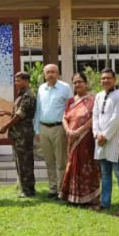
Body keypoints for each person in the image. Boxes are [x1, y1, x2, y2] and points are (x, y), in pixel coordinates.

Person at [60, 72, 101, 207]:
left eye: (80, 82)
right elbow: (64, 117)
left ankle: (89, 197)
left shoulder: (93, 100)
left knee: (86, 166)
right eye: (75, 82)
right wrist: (68, 130)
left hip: (86, 138)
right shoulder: (70, 101)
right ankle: (73, 196)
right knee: (72, 165)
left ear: (86, 83)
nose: (77, 84)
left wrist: (80, 131)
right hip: (71, 138)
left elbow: (94, 118)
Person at [34, 64, 72, 199]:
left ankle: (62, 190)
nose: (50, 74)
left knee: (61, 161)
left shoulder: (65, 88)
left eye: (53, 72)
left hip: (59, 128)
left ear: (58, 74)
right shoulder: (41, 88)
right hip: (43, 128)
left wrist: (68, 130)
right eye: (48, 72)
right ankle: (52, 189)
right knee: (49, 161)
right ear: (44, 75)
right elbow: (38, 109)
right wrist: (37, 129)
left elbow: (70, 109)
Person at [92, 68, 119, 211]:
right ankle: (105, 202)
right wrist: (97, 134)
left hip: (114, 139)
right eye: (103, 78)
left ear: (114, 80)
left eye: (108, 78)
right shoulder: (98, 96)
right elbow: (95, 116)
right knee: (105, 174)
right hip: (100, 140)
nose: (105, 80)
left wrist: (105, 136)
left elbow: (117, 118)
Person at [0, 71, 36, 197]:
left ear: (26, 81)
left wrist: (5, 126)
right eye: (15, 80)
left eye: (18, 80)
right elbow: (18, 113)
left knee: (25, 163)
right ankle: (23, 187)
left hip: (23, 135)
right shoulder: (21, 94)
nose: (16, 83)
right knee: (20, 162)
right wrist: (7, 112)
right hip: (18, 135)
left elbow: (20, 116)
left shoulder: (28, 95)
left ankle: (28, 190)